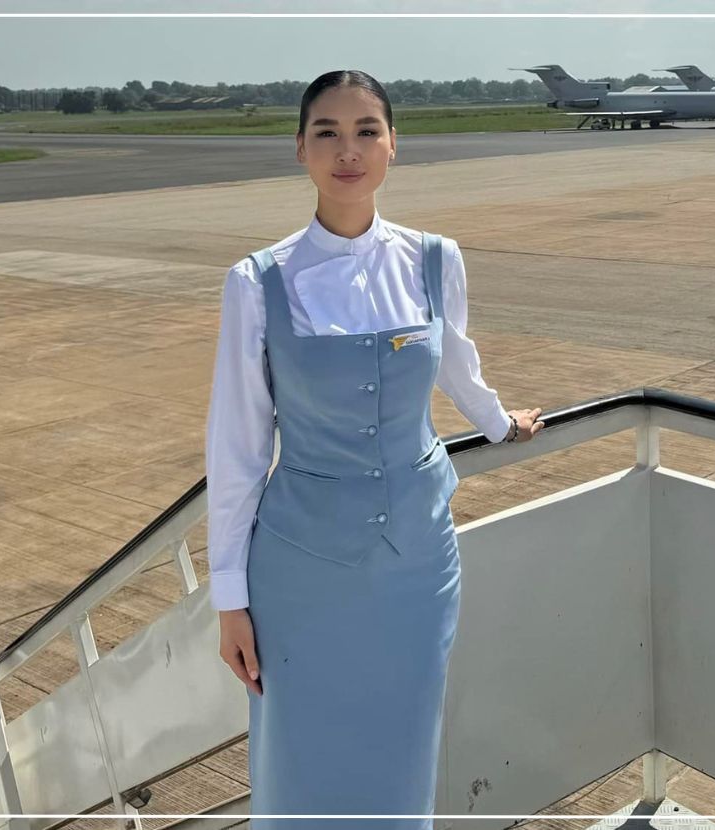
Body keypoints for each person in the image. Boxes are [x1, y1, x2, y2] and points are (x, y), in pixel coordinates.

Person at [204, 69, 545, 828]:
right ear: (300, 148)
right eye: (326, 132)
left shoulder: (434, 258)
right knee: (298, 751)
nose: (347, 151)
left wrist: (499, 423)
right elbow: (237, 447)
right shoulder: (257, 281)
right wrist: (230, 600)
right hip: (300, 570)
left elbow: (457, 363)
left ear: (394, 145)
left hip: (417, 564)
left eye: (366, 131)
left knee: (403, 749)